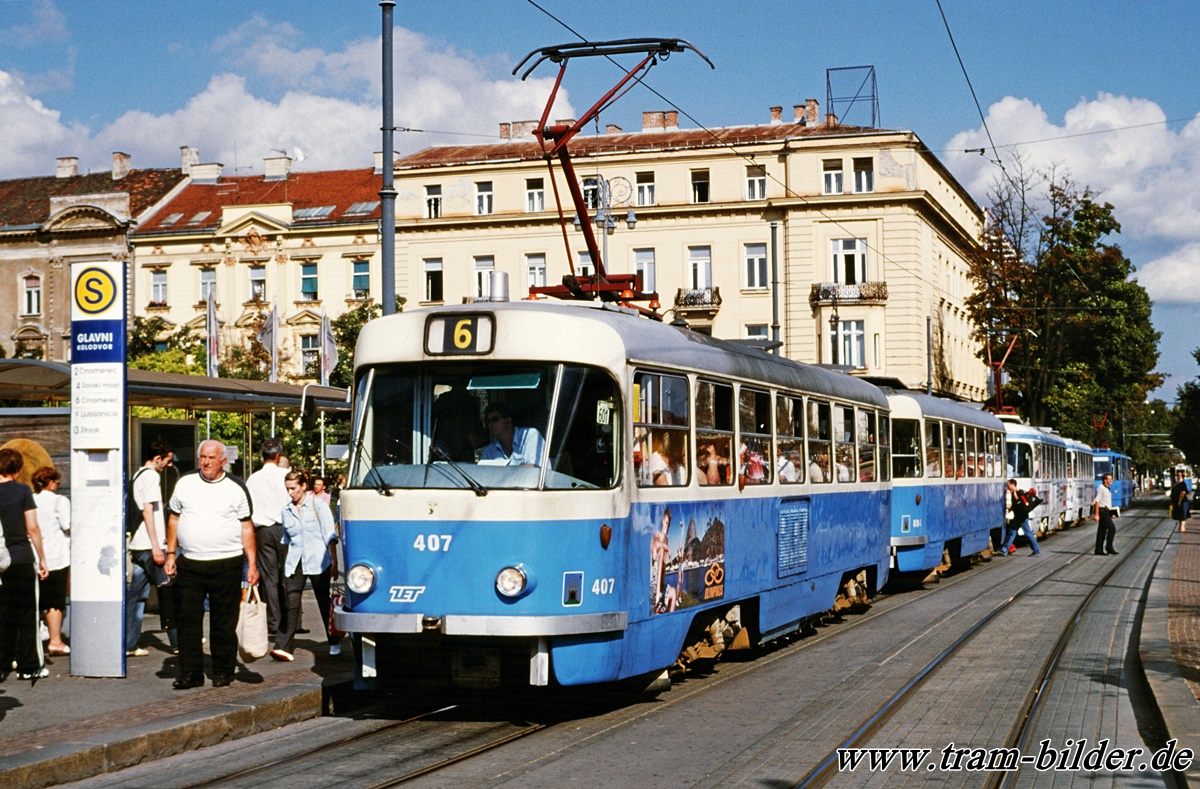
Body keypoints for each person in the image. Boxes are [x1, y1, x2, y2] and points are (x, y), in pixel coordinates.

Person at [164, 440, 257, 689]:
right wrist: (171, 554)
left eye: (211, 458)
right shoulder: (185, 483)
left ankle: (223, 671)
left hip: (227, 563)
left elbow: (246, 527)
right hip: (191, 563)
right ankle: (191, 673)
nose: (205, 462)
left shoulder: (236, 487)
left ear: (223, 461)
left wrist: (252, 565)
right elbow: (174, 519)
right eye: (202, 457)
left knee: (224, 623)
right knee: (188, 621)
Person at [271, 468, 341, 661]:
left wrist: (334, 561)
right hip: (296, 562)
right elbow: (286, 539)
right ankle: (283, 646)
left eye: (293, 488)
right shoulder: (286, 511)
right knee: (291, 602)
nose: (290, 492)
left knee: (323, 602)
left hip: (318, 560)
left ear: (303, 486)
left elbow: (330, 535)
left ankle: (334, 641)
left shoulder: (318, 505)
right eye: (287, 489)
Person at [0, 447, 50, 681]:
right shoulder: (22, 491)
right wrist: (42, 558)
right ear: (18, 470)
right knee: (27, 613)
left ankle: (2, 662)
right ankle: (29, 666)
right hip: (19, 557)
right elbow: (32, 527)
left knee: (3, 612)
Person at [125, 441, 173, 657]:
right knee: (168, 591)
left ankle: (129, 642)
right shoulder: (152, 476)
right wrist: (156, 545)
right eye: (168, 460)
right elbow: (147, 511)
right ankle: (178, 641)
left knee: (134, 597)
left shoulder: (137, 475)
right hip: (149, 544)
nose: (169, 465)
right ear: (158, 458)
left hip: (136, 544)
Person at [246, 438, 290, 643]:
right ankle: (290, 621)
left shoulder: (252, 479)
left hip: (262, 530)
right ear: (278, 455)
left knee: (269, 577)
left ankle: (274, 621)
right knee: (287, 574)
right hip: (284, 529)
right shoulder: (285, 476)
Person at [31, 466, 70, 656]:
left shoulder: (29, 499)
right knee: (54, 601)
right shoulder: (59, 501)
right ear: (51, 482)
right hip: (56, 556)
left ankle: (34, 638)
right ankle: (55, 640)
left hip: (33, 556)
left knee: (35, 599)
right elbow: (68, 525)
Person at [432, 383, 486, 462]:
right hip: (462, 463)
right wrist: (491, 435)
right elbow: (475, 441)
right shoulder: (468, 403)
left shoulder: (441, 401)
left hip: (440, 463)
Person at [480, 403, 545, 466]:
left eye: (494, 420)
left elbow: (534, 468)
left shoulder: (530, 435)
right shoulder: (490, 450)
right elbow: (482, 473)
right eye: (488, 421)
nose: (490, 424)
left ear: (508, 421)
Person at [1001, 479, 1041, 556]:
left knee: (1027, 534)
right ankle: (1004, 550)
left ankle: (1036, 549)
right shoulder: (1016, 493)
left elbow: (1018, 504)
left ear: (1013, 485)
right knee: (1013, 533)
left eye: (1008, 485)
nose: (1007, 486)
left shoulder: (1019, 493)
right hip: (1018, 517)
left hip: (1021, 518)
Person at [1093, 472, 1117, 556]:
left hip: (1106, 511)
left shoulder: (1107, 488)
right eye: (1110, 479)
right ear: (1105, 480)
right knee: (1112, 529)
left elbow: (1107, 502)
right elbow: (1097, 501)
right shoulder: (1101, 488)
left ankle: (1098, 549)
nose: (1111, 480)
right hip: (1102, 511)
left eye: (1111, 479)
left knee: (1102, 531)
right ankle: (1109, 547)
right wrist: (1096, 514)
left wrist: (1112, 513)